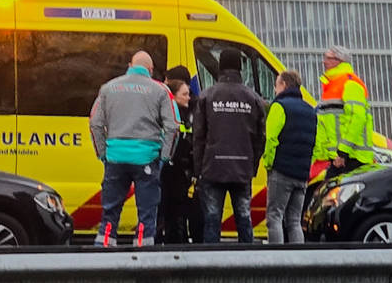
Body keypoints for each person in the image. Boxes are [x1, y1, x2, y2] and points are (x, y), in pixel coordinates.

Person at [89, 51, 180, 247]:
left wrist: (103, 153)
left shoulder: (108, 88)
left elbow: (95, 123)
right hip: (146, 159)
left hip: (115, 159)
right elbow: (173, 126)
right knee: (146, 213)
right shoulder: (161, 91)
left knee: (110, 213)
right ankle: (141, 253)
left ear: (130, 65)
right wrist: (164, 158)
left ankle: (103, 249)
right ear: (151, 69)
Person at [192, 49, 265, 243]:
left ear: (221, 67)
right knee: (244, 218)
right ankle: (246, 266)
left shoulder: (207, 96)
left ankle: (212, 267)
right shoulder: (253, 98)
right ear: (240, 68)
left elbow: (198, 136)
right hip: (242, 169)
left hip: (212, 167)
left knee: (212, 220)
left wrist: (199, 169)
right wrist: (252, 165)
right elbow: (260, 138)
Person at [262, 69, 317, 244]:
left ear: (284, 85)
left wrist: (269, 164)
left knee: (274, 217)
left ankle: (277, 261)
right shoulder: (310, 111)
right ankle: (298, 263)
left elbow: (271, 139)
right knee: (294, 220)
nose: (275, 89)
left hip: (281, 171)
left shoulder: (279, 106)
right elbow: (315, 142)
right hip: (301, 174)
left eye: (276, 85)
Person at [314, 43, 374, 179]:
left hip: (351, 158)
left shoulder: (350, 84)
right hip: (340, 158)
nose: (324, 62)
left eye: (328, 58)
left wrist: (343, 152)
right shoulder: (331, 85)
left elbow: (356, 119)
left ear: (339, 61)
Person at [158, 75, 198, 244]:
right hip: (170, 171)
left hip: (181, 172)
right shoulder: (170, 115)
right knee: (172, 213)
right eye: (185, 94)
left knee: (178, 213)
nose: (189, 97)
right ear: (173, 96)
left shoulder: (189, 114)